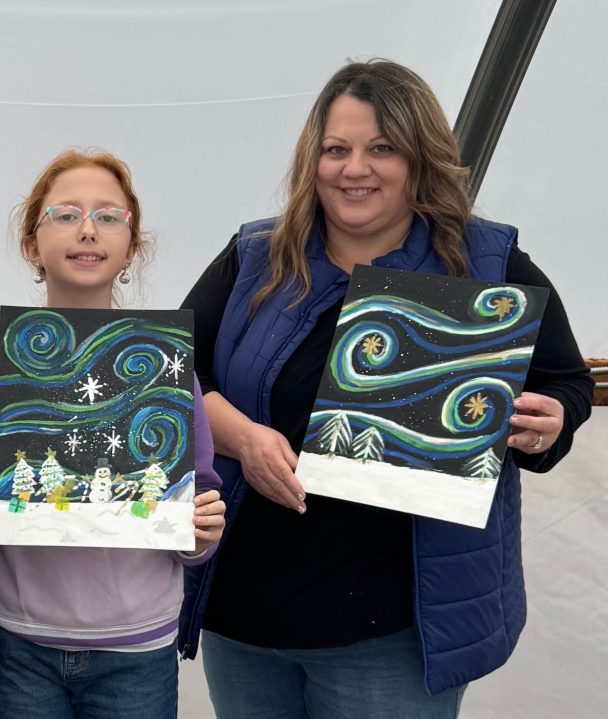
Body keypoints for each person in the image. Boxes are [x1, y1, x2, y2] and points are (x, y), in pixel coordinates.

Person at [178, 60, 594, 718]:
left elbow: (564, 384)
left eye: (381, 149)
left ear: (419, 158)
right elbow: (172, 373)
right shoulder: (256, 256)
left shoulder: (484, 263)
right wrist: (245, 438)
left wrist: (550, 422)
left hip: (392, 640)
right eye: (336, 150)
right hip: (245, 624)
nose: (354, 169)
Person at [0, 149, 226, 718]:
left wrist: (201, 534)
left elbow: (199, 498)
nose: (87, 229)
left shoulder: (166, 366)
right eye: (65, 214)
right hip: (18, 645)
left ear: (131, 247)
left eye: (109, 216)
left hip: (138, 648)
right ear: (32, 244)